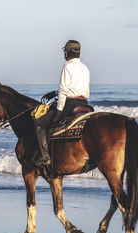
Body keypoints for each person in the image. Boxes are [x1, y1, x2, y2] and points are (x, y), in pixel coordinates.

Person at [34, 40, 90, 168]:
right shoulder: (85, 67)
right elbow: (75, 87)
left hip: (70, 104)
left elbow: (65, 90)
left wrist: (58, 112)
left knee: (38, 124)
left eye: (65, 51)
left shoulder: (67, 66)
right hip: (84, 103)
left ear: (67, 53)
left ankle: (44, 157)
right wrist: (54, 92)